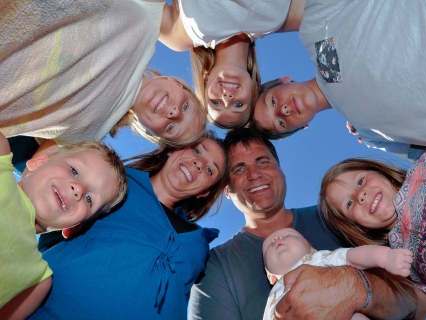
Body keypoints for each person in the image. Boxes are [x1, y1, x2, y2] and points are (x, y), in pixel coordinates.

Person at [188, 127, 416, 320]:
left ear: (281, 171)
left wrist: (354, 288)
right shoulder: (215, 268)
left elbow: (410, 299)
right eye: (239, 169)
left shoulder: (339, 217)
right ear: (227, 190)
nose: (254, 174)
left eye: (263, 161)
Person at [27, 132, 228, 319]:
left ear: (204, 192)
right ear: (174, 149)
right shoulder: (110, 185)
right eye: (196, 150)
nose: (199, 163)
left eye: (210, 170)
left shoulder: (199, 245)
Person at [253, 0, 426, 160]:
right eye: (281, 123)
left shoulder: (317, 36)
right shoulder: (371, 135)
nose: (282, 110)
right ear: (303, 127)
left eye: (272, 102)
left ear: (283, 80)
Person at [0, 0, 206, 150]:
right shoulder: (148, 21)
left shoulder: (87, 137)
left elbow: (37, 181)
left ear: (149, 129)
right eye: (186, 106)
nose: (175, 113)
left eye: (171, 127)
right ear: (177, 83)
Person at [320, 150, 426, 317]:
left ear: (381, 173)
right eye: (349, 203)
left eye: (360, 181)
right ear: (359, 227)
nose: (361, 195)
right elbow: (417, 310)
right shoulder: (400, 256)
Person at [0, 133, 127, 319]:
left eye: (90, 200)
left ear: (74, 228)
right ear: (39, 161)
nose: (79, 189)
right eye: (74, 171)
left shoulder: (39, 280)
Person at [159, 0, 305, 128]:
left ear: (205, 80)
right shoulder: (281, 19)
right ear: (253, 90)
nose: (227, 99)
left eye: (215, 102)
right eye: (239, 105)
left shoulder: (179, 36)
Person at [262, 228, 413, 320]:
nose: (277, 239)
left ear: (312, 249)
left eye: (288, 235)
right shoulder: (271, 299)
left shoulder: (319, 258)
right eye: (269, 245)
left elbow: (354, 256)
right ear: (271, 277)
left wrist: (385, 257)